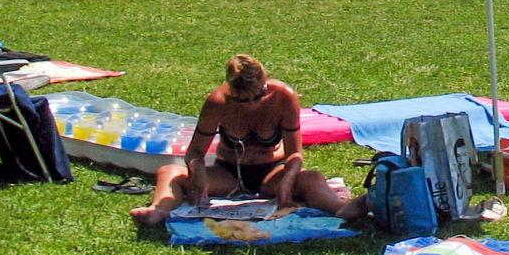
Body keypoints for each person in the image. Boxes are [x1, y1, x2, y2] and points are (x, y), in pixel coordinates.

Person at [132, 54, 362, 228]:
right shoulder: (217, 102)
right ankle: (158, 210)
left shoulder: (283, 97)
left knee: (312, 179)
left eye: (257, 97)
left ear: (265, 83)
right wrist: (199, 172)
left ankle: (343, 209)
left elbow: (295, 153)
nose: (252, 104)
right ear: (232, 91)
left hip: (272, 172)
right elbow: (194, 153)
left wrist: (288, 179)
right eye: (243, 101)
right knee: (169, 171)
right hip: (229, 173)